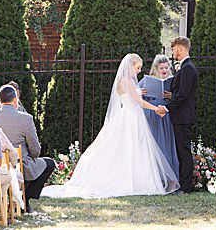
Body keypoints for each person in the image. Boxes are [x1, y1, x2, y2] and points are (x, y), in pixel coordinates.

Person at [44, 54, 179, 198]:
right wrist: (156, 108)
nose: (139, 71)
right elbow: (138, 102)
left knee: (128, 148)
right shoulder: (128, 81)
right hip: (132, 117)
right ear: (130, 66)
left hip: (126, 115)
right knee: (133, 148)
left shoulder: (122, 80)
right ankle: (135, 181)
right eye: (137, 67)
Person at [0, 83, 56, 210]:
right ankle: (25, 198)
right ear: (15, 99)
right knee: (49, 163)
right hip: (20, 164)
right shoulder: (26, 119)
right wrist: (32, 156)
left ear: (0, 100)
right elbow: (35, 149)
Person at [164, 36, 201, 193]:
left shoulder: (187, 68)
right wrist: (170, 96)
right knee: (181, 150)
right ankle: (184, 184)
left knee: (183, 151)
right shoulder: (186, 67)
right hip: (182, 115)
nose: (173, 53)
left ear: (179, 48)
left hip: (183, 116)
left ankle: (185, 187)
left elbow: (184, 96)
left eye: (173, 49)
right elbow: (182, 93)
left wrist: (166, 108)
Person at [139, 54, 181, 181]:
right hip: (152, 116)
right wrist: (140, 92)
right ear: (156, 69)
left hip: (166, 115)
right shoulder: (147, 81)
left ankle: (169, 178)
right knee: (153, 144)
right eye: (161, 68)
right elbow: (133, 95)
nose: (164, 71)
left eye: (166, 68)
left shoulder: (173, 81)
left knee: (167, 144)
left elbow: (180, 97)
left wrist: (171, 96)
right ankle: (152, 178)